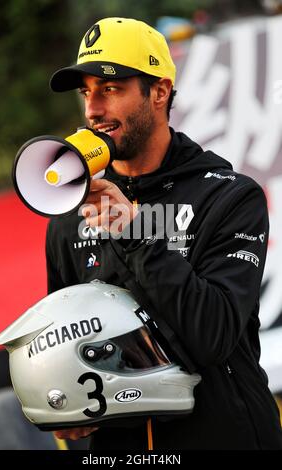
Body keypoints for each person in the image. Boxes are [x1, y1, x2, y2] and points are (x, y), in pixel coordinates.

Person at [46, 17, 282, 450]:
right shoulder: (69, 214)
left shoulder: (230, 197)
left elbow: (213, 336)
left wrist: (133, 231)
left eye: (110, 89)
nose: (93, 110)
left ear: (159, 92)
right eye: (87, 92)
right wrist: (61, 406)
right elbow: (68, 338)